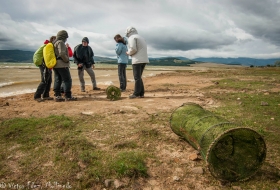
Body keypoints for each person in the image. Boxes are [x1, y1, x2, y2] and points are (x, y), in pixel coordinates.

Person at [125, 26, 149, 99]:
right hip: (144, 59)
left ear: (129, 32)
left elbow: (133, 48)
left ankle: (136, 94)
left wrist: (128, 53)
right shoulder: (141, 38)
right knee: (139, 77)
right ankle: (141, 93)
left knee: (137, 77)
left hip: (137, 60)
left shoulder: (132, 38)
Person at [52, 30, 77, 102]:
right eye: (66, 37)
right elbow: (62, 53)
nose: (66, 39)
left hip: (55, 65)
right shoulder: (61, 43)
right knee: (67, 80)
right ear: (63, 37)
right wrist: (66, 60)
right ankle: (68, 96)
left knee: (58, 80)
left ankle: (57, 96)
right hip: (62, 64)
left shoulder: (55, 43)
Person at [34, 36, 56, 102]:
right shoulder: (48, 46)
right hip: (44, 64)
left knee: (49, 80)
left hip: (46, 65)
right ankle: (37, 96)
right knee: (44, 80)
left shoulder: (49, 45)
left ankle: (46, 95)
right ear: (53, 40)